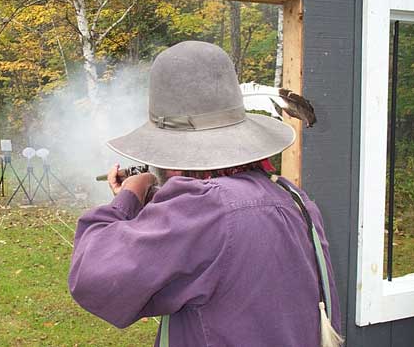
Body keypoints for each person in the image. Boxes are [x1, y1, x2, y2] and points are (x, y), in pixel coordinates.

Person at [68, 41, 342, 347]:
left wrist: (128, 197)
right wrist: (154, 198)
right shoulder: (293, 197)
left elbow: (92, 278)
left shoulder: (204, 210)